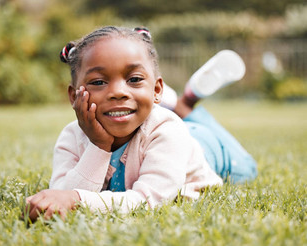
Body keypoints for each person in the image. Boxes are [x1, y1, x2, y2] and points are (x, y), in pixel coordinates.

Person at [24, 26, 257, 222]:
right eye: (98, 81)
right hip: (168, 130)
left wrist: (77, 200)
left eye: (134, 79)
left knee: (248, 169)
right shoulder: (71, 137)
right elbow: (62, 194)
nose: (117, 92)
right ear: (74, 96)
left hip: (207, 149)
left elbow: (148, 201)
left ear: (156, 89)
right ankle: (179, 103)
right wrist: (98, 146)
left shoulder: (168, 131)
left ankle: (186, 103)